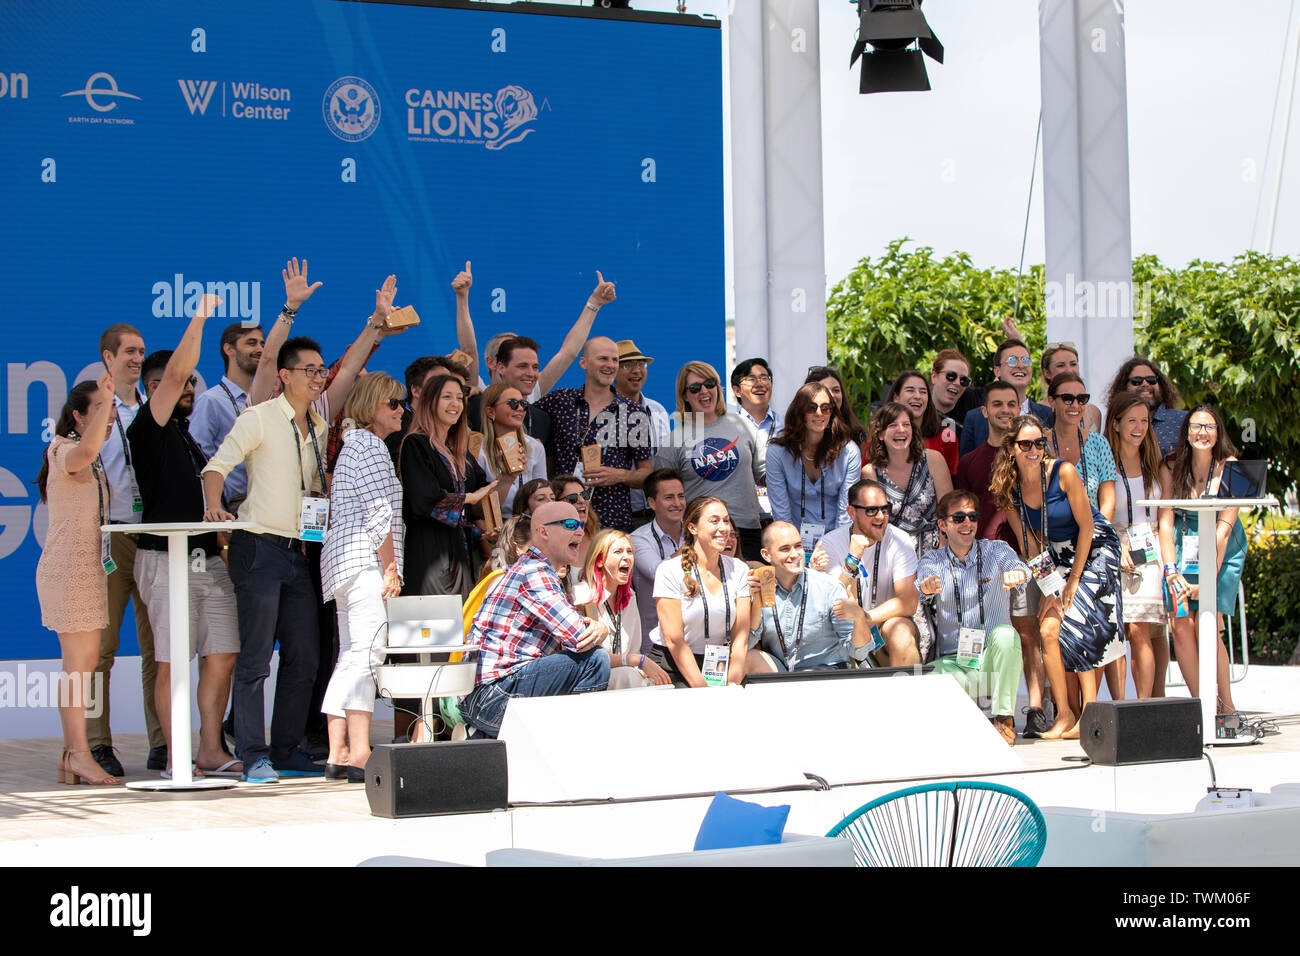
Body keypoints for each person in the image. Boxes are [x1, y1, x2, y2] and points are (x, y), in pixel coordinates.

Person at [201, 334, 334, 782]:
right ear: (284, 375)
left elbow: (310, 487)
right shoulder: (257, 417)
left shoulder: (318, 427)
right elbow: (216, 466)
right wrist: (215, 508)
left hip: (300, 550)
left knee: (305, 657)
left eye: (322, 371)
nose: (319, 378)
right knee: (256, 658)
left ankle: (287, 748)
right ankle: (254, 753)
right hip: (258, 544)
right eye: (310, 371)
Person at [129, 295, 241, 778]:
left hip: (206, 560)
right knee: (174, 660)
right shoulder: (147, 428)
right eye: (180, 382)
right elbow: (175, 374)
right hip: (163, 560)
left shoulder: (185, 434)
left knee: (223, 652)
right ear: (154, 389)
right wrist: (199, 317)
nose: (189, 387)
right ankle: (176, 754)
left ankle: (209, 750)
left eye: (195, 383)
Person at [994, 415, 1125, 740]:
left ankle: (1091, 715)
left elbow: (1088, 526)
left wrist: (1074, 581)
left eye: (1039, 443)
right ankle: (1066, 714)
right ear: (1011, 448)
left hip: (1095, 548)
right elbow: (1031, 546)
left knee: (1080, 620)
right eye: (1025, 444)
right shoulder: (1010, 489)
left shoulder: (1063, 472)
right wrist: (1052, 589)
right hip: (1055, 554)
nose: (1034, 450)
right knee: (1049, 629)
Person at [319, 373, 407, 783]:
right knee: (367, 654)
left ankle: (339, 751)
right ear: (372, 405)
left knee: (352, 654)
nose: (401, 409)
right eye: (393, 403)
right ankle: (358, 750)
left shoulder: (354, 445)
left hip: (344, 564)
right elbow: (379, 513)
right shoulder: (370, 445)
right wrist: (390, 567)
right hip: (364, 563)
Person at [460, 501, 611, 738]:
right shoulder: (534, 572)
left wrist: (598, 629)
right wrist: (599, 628)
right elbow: (578, 637)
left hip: (488, 695)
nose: (580, 531)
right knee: (595, 660)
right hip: (492, 698)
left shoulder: (534, 569)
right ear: (543, 532)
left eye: (580, 524)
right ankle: (578, 741)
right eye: (570, 524)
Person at [37, 374, 121, 786]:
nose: (108, 419)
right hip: (69, 569)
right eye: (99, 411)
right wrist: (108, 397)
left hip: (87, 567)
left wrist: (106, 404)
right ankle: (79, 754)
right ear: (77, 416)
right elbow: (89, 447)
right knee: (79, 668)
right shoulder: (64, 449)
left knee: (82, 666)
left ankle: (71, 755)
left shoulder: (88, 454)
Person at [954, 381, 1049, 736]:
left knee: (1026, 633)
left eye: (1012, 403)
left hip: (1021, 559)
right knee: (980, 633)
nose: (1005, 410)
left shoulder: (1030, 456)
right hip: (979, 562)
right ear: (985, 411)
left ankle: (1035, 707)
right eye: (998, 404)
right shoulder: (969, 461)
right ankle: (987, 712)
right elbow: (961, 511)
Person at [88, 322, 160, 778]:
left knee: (159, 646)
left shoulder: (155, 407)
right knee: (101, 648)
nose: (136, 358)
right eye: (128, 352)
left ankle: (161, 742)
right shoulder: (94, 406)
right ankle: (95, 743)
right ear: (108, 358)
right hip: (111, 534)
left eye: (141, 352)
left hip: (156, 533)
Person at [916, 491, 1031, 745]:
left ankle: (1003, 718)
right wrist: (926, 586)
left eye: (972, 516)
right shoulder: (932, 559)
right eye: (959, 518)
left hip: (991, 663)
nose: (967, 523)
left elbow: (1018, 567)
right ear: (943, 525)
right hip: (956, 664)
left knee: (1006, 634)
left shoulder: (996, 549)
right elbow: (922, 582)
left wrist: (1018, 575)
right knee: (927, 681)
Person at [1158, 405, 1247, 715]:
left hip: (1221, 548)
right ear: (1186, 431)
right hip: (1183, 548)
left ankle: (1227, 708)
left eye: (1209, 427)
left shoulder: (1232, 466)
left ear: (1218, 432)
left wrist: (1206, 580)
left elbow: (1223, 531)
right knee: (1181, 623)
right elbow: (1165, 522)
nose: (1202, 432)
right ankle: (1203, 707)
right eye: (1196, 426)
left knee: (1208, 623)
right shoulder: (1171, 465)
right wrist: (1170, 572)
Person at [536, 336, 653, 531]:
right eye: (603, 359)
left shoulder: (633, 412)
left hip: (612, 522)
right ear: (583, 363)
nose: (610, 365)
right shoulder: (559, 401)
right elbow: (520, 413)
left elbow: (647, 474)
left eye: (614, 360)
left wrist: (620, 475)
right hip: (564, 519)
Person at [399, 373, 497, 599]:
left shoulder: (457, 450)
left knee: (458, 626)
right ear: (429, 401)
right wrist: (468, 499)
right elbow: (423, 500)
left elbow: (485, 490)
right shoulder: (416, 443)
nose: (455, 404)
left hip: (458, 553)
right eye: (447, 397)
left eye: (459, 397)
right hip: (429, 554)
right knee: (435, 627)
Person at [656, 361, 764, 559]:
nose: (704, 391)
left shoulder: (741, 424)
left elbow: (764, 475)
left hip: (746, 531)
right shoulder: (674, 441)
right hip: (702, 536)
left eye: (710, 383)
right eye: (695, 388)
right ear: (684, 395)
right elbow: (663, 495)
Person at [815, 479, 921, 666]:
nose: (880, 516)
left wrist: (865, 617)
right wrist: (852, 560)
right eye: (871, 510)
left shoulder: (900, 540)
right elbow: (834, 603)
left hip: (880, 626)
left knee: (901, 632)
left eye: (885, 509)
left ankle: (908, 693)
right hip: (844, 632)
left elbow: (909, 602)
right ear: (851, 512)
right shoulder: (830, 543)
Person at [649, 496, 752, 687]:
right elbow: (674, 640)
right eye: (714, 521)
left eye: (726, 520)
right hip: (674, 666)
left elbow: (740, 638)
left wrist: (732, 684)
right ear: (692, 528)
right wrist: (703, 691)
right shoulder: (669, 570)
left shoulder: (739, 569)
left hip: (721, 666)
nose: (723, 528)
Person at [1105, 392, 1169, 698]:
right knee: (1119, 632)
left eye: (1144, 421)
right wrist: (1117, 547)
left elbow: (1166, 516)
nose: (1139, 427)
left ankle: (1145, 704)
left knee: (1142, 629)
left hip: (1151, 547)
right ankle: (1121, 706)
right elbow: (1097, 511)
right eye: (1131, 420)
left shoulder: (1157, 464)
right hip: (1114, 544)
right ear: (1115, 424)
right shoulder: (1104, 462)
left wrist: (1169, 563)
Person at [747, 522, 870, 672]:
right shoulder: (762, 587)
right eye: (785, 549)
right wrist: (756, 604)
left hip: (826, 671)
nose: (794, 554)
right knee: (749, 658)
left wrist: (859, 618)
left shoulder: (828, 587)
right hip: (782, 673)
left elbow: (859, 652)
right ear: (766, 555)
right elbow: (746, 644)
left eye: (798, 546)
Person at [570, 529, 672, 689]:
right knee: (628, 675)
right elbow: (586, 657)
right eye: (618, 551)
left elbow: (634, 649)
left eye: (630, 551)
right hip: (589, 679)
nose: (626, 557)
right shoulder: (580, 596)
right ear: (599, 561)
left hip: (622, 678)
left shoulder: (630, 596)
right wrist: (634, 661)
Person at [766, 381, 861, 543]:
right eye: (812, 408)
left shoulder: (849, 452)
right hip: (792, 541)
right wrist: (792, 549)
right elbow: (781, 513)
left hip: (836, 538)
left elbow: (846, 512)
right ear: (799, 412)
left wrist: (836, 549)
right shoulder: (777, 452)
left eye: (825, 408)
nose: (819, 413)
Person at [861, 402, 953, 556]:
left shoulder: (933, 460)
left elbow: (949, 511)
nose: (901, 430)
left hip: (934, 552)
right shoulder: (870, 472)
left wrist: (943, 553)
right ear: (880, 434)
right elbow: (872, 522)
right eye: (893, 425)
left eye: (906, 424)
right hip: (892, 554)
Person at [189, 320, 264, 509]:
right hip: (230, 509)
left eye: (262, 344)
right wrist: (214, 512)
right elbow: (199, 463)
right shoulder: (211, 401)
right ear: (229, 349)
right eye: (251, 343)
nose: (260, 349)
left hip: (265, 507)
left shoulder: (267, 400)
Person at [959, 339, 1054, 457]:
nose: (1020, 365)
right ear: (997, 371)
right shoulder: (974, 418)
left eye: (1025, 360)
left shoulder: (1048, 414)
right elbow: (965, 467)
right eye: (1012, 361)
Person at [629, 468, 687, 648]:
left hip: (697, 637)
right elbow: (659, 571)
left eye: (681, 496)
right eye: (669, 497)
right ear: (652, 503)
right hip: (656, 643)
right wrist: (695, 548)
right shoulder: (638, 539)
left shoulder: (696, 532)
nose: (677, 503)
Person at [614, 339, 672, 517]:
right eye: (627, 365)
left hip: (657, 512)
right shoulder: (603, 412)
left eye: (641, 364)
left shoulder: (658, 409)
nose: (637, 370)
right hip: (618, 512)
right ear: (612, 371)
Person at [1045, 372, 1117, 514]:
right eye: (1067, 399)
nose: (1075, 405)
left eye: (1082, 399)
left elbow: (1108, 503)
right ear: (1051, 401)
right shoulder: (1038, 444)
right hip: (1049, 533)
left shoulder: (1099, 443)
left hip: (1093, 532)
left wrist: (1096, 535)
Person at [476, 381, 546, 520]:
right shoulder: (478, 450)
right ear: (490, 411)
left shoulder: (535, 447)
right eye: (513, 403)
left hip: (528, 524)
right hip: (492, 527)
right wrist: (506, 479)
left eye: (524, 404)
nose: (520, 408)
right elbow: (478, 510)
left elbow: (543, 495)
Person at [466, 335, 553, 445]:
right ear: (501, 368)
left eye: (535, 367)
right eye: (522, 366)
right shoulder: (477, 405)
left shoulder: (542, 419)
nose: (531, 373)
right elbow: (469, 350)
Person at [1105, 355, 1188, 456]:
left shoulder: (1183, 420)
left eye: (1151, 380)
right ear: (1124, 387)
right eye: (1137, 381)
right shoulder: (1116, 422)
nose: (1145, 384)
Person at [887, 369, 958, 475]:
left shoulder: (947, 436)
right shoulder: (881, 434)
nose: (917, 396)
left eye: (923, 392)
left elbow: (953, 480)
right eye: (910, 390)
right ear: (896, 398)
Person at [731, 357, 784, 468]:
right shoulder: (728, 427)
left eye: (764, 378)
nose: (759, 384)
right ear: (737, 391)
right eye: (751, 379)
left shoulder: (787, 425)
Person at [1040, 342, 1102, 433]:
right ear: (1047, 373)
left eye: (1073, 364)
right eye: (1060, 365)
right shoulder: (1035, 411)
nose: (1069, 370)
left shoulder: (1093, 412)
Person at [805, 365, 867, 447]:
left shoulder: (857, 434)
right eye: (825, 390)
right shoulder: (796, 435)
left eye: (836, 390)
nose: (832, 395)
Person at [551, 475, 601, 568]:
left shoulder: (600, 539)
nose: (582, 501)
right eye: (573, 498)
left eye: (585, 495)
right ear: (556, 503)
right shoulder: (550, 544)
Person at [929, 349, 976, 441]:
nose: (957, 383)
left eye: (964, 380)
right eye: (951, 376)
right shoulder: (916, 414)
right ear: (934, 376)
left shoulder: (971, 412)